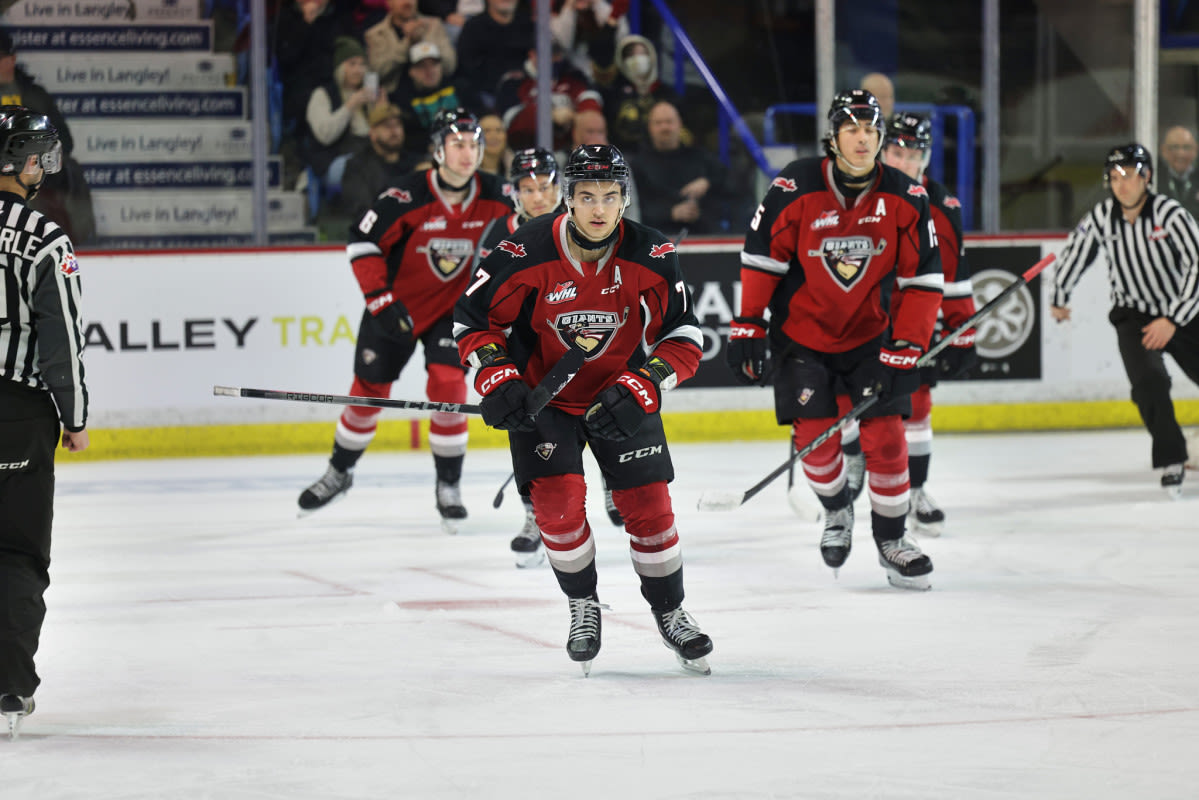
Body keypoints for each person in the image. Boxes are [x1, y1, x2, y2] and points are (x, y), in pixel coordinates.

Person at [453, 144, 714, 675]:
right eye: (587, 196)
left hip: (620, 396)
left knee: (650, 507)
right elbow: (471, 321)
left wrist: (646, 385)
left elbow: (684, 335)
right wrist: (497, 377)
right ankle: (582, 605)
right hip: (543, 401)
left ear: (624, 200)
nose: (599, 209)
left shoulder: (652, 254)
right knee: (557, 508)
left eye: (611, 197)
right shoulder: (522, 252)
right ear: (567, 199)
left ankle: (671, 612)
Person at [724, 89, 943, 590]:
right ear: (833, 137)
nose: (862, 138)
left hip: (870, 337)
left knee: (887, 438)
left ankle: (893, 539)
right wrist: (748, 324)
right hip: (802, 339)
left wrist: (907, 345)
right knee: (816, 446)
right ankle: (837, 510)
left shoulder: (907, 196)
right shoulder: (794, 186)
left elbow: (923, 281)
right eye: (852, 129)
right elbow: (761, 258)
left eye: (870, 129)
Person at [297, 108, 512, 530]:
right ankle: (339, 472)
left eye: (474, 145)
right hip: (395, 309)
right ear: (438, 150)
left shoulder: (497, 194)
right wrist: (380, 299)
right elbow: (362, 240)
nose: (467, 153)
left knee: (449, 387)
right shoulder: (406, 195)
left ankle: (448, 485)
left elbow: (535, 227)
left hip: (451, 318)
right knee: (367, 392)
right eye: (457, 144)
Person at [0, 107, 89, 739]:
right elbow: (63, 341)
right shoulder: (43, 236)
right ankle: (8, 686)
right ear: (20, 161)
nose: (43, 166)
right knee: (17, 554)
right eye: (37, 154)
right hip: (18, 414)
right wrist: (76, 417)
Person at [1051, 143, 1199, 498]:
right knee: (1148, 382)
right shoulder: (1102, 217)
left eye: (1129, 175)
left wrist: (1173, 319)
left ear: (1146, 177)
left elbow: (1197, 265)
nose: (1122, 184)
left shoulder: (1171, 214)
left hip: (1182, 311)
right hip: (1133, 315)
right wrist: (1060, 295)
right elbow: (1076, 252)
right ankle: (1172, 458)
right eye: (1115, 177)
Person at [879, 112, 977, 536]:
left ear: (926, 158)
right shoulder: (857, 195)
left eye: (912, 154)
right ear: (882, 153)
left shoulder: (941, 205)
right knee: (848, 403)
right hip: (858, 319)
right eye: (896, 153)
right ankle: (845, 490)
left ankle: (915, 490)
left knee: (916, 404)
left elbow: (951, 273)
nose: (903, 163)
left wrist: (962, 329)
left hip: (912, 324)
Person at [0, 29, 93, 243]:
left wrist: (31, 158)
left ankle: (80, 242)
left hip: (31, 174)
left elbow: (64, 142)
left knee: (70, 170)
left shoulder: (33, 96)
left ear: (11, 59)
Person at [630, 98, 729, 237]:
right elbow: (635, 208)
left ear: (680, 124)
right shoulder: (637, 165)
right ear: (650, 127)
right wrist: (671, 213)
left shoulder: (699, 157)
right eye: (658, 123)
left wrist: (707, 182)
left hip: (702, 236)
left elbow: (730, 179)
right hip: (656, 240)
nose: (665, 127)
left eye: (669, 122)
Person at [302, 37, 379, 194]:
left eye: (362, 64)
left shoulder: (370, 95)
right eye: (352, 64)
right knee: (367, 166)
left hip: (368, 156)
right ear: (340, 67)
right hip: (333, 160)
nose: (358, 70)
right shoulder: (322, 94)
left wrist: (381, 111)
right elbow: (325, 135)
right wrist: (350, 106)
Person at [496, 43, 604, 153]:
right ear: (532, 54)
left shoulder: (573, 75)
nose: (556, 59)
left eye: (558, 54)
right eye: (550, 55)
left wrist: (581, 117)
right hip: (528, 151)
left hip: (569, 150)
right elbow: (513, 125)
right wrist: (549, 116)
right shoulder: (514, 81)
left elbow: (591, 102)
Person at [340, 102, 423, 222]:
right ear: (372, 133)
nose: (394, 131)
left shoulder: (416, 164)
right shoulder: (357, 167)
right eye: (387, 126)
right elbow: (361, 211)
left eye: (398, 124)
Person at [604, 33, 680, 155]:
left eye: (642, 53)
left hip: (661, 157)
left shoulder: (667, 94)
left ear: (652, 56)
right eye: (630, 54)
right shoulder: (614, 94)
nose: (637, 59)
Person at [390, 41, 465, 158]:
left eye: (434, 64)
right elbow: (409, 137)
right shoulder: (403, 100)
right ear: (411, 72)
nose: (429, 70)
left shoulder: (460, 87)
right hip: (428, 154)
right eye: (422, 66)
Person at [455, 0, 534, 111]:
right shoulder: (474, 27)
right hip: (488, 95)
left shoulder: (528, 26)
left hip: (526, 92)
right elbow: (467, 69)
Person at [365, 0, 457, 94]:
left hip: (435, 93)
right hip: (396, 98)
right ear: (389, 3)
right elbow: (378, 72)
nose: (408, 2)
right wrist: (407, 42)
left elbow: (450, 66)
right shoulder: (375, 34)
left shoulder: (434, 25)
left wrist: (422, 40)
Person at [1159, 125, 1199, 219]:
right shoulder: (1156, 180)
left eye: (1186, 147)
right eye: (1174, 147)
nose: (1181, 154)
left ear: (1195, 150)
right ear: (1164, 151)